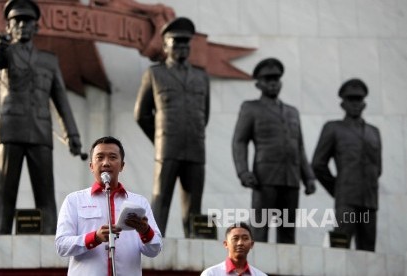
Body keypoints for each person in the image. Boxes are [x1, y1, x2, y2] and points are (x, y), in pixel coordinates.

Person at [0, 0, 82, 234]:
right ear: (8, 27)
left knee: (45, 192)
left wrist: (72, 134)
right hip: (11, 129)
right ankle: (0, 238)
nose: (21, 25)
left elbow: (61, 100)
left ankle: (51, 239)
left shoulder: (49, 61)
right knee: (6, 192)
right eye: (16, 21)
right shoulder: (4, 52)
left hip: (40, 131)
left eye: (27, 21)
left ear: (36, 27)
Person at [134, 17, 210, 237]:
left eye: (185, 43)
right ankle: (154, 243)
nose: (182, 47)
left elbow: (204, 114)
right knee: (161, 200)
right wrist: (160, 139)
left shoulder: (201, 76)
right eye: (176, 42)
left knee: (194, 205)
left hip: (195, 148)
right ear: (165, 45)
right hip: (167, 148)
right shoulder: (155, 74)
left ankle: (197, 247)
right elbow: (141, 114)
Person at [231, 58, 316, 244]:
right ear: (258, 84)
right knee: (260, 230)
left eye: (276, 79)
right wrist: (243, 172)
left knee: (287, 232)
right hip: (264, 178)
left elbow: (299, 147)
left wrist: (308, 177)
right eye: (268, 79)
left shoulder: (292, 112)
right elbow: (239, 141)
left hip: (291, 179)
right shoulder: (250, 108)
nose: (273, 83)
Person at [55, 136, 162, 275]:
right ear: (91, 166)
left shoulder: (139, 202)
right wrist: (94, 238)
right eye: (100, 157)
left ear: (122, 165)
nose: (106, 163)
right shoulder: (74, 201)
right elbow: (61, 246)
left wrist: (145, 231)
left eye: (112, 157)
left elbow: (155, 250)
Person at [312, 79, 382, 251]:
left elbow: (377, 168)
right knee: (340, 245)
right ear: (343, 103)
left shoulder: (374, 132)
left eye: (358, 100)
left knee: (368, 250)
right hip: (346, 199)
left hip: (369, 200)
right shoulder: (333, 128)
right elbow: (318, 164)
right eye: (351, 100)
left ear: (364, 103)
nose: (355, 104)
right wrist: (337, 189)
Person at [201, 222, 267, 276]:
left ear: (251, 244)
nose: (240, 243)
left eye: (245, 238)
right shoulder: (211, 274)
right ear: (226, 244)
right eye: (235, 238)